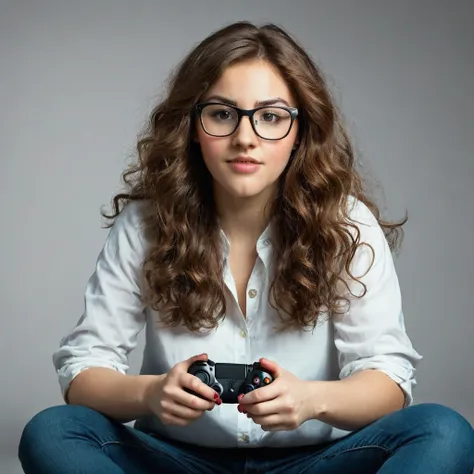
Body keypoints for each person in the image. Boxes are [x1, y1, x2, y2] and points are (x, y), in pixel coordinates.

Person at [18, 21, 473, 474]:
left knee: (443, 431)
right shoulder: (146, 224)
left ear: (300, 132)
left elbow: (389, 379)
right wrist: (151, 393)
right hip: (175, 462)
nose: (246, 137)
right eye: (221, 113)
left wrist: (312, 400)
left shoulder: (345, 222)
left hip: (316, 463)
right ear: (193, 126)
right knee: (54, 431)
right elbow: (84, 369)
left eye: (271, 117)